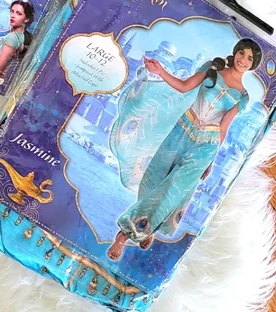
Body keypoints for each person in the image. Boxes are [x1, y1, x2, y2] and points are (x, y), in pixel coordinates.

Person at [107, 38, 262, 260]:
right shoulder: (212, 68)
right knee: (155, 179)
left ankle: (123, 236)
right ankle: (148, 227)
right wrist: (160, 71)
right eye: (242, 53)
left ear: (253, 64)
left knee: (174, 189)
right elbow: (184, 86)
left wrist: (211, 161)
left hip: (205, 146)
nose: (243, 60)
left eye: (249, 58)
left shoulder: (243, 97)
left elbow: (223, 127)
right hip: (181, 130)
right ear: (235, 52)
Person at [0, 0, 34, 84]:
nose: (12, 16)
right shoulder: (18, 37)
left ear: (26, 19)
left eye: (18, 13)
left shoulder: (13, 38)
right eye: (12, 11)